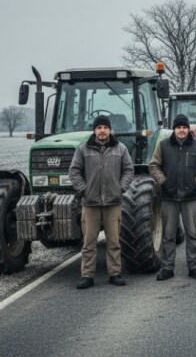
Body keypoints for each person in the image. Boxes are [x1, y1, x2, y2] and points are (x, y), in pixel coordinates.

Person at [69, 115, 134, 289]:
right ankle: (87, 276)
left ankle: (114, 274)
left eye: (105, 127)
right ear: (94, 131)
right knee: (89, 243)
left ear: (110, 130)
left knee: (114, 241)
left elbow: (129, 170)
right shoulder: (83, 149)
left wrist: (120, 188)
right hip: (90, 204)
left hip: (113, 203)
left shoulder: (120, 149)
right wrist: (84, 190)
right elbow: (74, 172)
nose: (102, 131)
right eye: (99, 128)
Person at [149, 114, 196, 281]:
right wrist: (164, 182)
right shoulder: (163, 145)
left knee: (193, 234)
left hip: (191, 197)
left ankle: (194, 267)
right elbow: (153, 166)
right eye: (178, 127)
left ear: (188, 129)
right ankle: (167, 268)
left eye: (184, 127)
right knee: (168, 235)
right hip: (169, 197)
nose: (181, 130)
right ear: (174, 129)